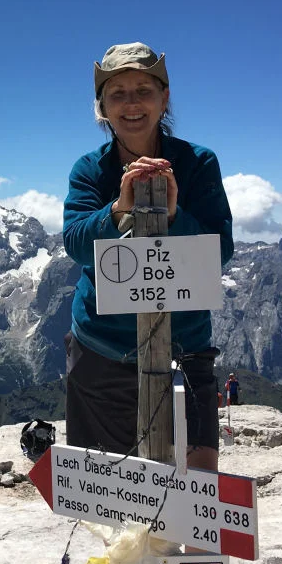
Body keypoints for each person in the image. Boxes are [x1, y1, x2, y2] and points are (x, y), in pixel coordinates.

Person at [62, 41, 234, 473]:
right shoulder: (89, 170)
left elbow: (219, 251)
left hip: (184, 350)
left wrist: (173, 216)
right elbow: (76, 244)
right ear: (102, 106)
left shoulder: (197, 163)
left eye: (143, 90)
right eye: (117, 93)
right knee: (104, 485)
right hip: (102, 349)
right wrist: (117, 210)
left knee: (196, 479)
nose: (131, 103)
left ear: (164, 98)